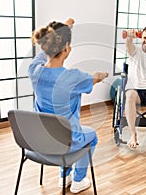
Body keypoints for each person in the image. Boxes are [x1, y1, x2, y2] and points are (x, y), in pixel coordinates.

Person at [28, 18, 109, 193]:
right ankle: (78, 180)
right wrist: (103, 74)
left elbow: (41, 56)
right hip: (64, 142)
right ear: (66, 49)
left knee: (62, 130)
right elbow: (95, 78)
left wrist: (65, 28)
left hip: (39, 140)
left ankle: (64, 177)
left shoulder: (34, 70)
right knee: (91, 136)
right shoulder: (74, 77)